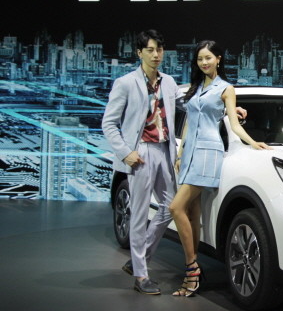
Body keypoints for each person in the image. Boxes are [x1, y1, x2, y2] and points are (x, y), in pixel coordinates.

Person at [168, 40, 271, 297]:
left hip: (208, 152)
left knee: (175, 208)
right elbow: (189, 122)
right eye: (200, 58)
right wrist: (180, 153)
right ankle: (194, 269)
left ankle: (192, 270)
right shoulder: (196, 87)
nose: (204, 62)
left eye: (208, 58)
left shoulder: (226, 88)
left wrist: (253, 142)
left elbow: (234, 125)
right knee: (192, 213)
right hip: (189, 153)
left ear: (219, 59)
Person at [102, 29, 182, 295]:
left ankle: (140, 260)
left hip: (165, 150)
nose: (156, 54)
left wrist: (229, 107)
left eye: (159, 49)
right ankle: (141, 276)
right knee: (138, 215)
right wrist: (125, 152)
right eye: (150, 50)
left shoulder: (169, 82)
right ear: (139, 53)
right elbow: (109, 123)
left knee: (171, 207)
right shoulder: (125, 83)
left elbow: (190, 107)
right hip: (141, 153)